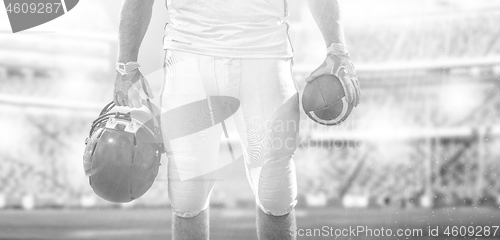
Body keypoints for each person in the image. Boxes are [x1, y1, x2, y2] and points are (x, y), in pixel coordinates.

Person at [113, 0, 360, 239]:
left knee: (275, 193)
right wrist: (126, 65)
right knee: (187, 196)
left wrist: (337, 48)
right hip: (189, 54)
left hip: (265, 52)